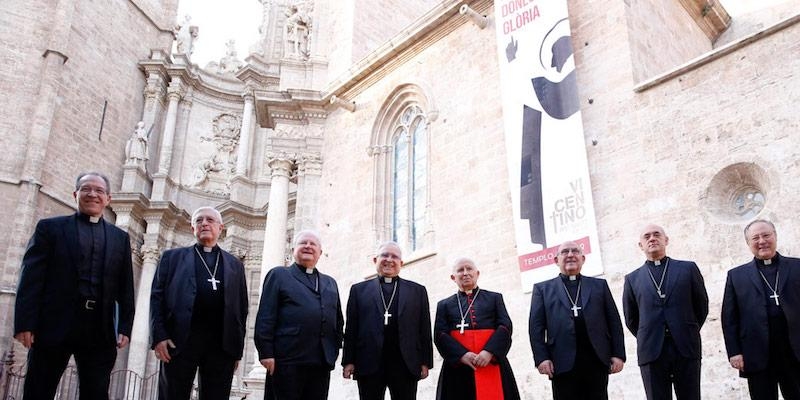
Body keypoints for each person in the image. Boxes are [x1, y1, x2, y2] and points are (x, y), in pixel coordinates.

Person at [14, 172, 135, 400]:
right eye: (86, 189)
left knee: (96, 392)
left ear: (108, 199)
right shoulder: (50, 228)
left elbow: (125, 286)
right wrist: (25, 322)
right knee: (39, 389)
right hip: (54, 323)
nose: (92, 194)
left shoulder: (120, 238)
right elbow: (31, 278)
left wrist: (125, 326)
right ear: (75, 194)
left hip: (99, 328)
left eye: (99, 191)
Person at [150, 206, 248, 400]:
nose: (204, 224)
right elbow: (157, 298)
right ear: (192, 228)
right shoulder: (172, 258)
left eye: (210, 220)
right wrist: (159, 336)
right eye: (199, 220)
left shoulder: (235, 264)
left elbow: (241, 308)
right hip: (179, 339)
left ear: (220, 228)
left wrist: (237, 350)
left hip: (221, 344)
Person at [622, 224, 709, 400]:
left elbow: (701, 306)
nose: (652, 239)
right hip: (651, 350)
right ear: (640, 245)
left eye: (657, 235)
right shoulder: (632, 278)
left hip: (685, 345)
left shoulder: (688, 269)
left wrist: (686, 328)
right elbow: (631, 318)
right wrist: (652, 333)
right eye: (647, 236)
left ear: (666, 240)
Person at [529, 240, 625, 399]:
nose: (570, 255)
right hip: (561, 361)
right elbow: (535, 328)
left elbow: (614, 321)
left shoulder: (599, 285)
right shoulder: (543, 289)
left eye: (575, 251)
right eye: (565, 252)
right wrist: (542, 358)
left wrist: (618, 354)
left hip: (596, 359)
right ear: (556, 260)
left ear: (583, 258)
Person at [255, 230, 343, 400]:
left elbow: (338, 320)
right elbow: (266, 315)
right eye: (303, 243)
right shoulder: (279, 275)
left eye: (313, 244)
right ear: (293, 249)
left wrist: (334, 350)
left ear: (320, 252)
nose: (308, 246)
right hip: (286, 359)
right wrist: (266, 352)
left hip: (320, 362)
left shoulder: (330, 282)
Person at [342, 241, 433, 400]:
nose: (389, 260)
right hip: (369, 362)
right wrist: (348, 361)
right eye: (384, 255)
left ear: (401, 263)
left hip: (405, 363)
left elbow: (424, 328)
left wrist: (426, 362)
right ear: (375, 260)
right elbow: (351, 328)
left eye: (394, 257)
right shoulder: (358, 290)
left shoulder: (417, 291)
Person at [722, 219, 800, 399]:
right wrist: (734, 352)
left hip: (795, 349)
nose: (762, 241)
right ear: (748, 243)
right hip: (756, 352)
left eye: (766, 235)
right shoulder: (736, 275)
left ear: (775, 236)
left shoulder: (797, 266)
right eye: (755, 238)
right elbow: (730, 318)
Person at [433, 257, 520, 400]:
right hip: (458, 367)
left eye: (469, 269)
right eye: (460, 270)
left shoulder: (494, 298)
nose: (465, 273)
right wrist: (462, 355)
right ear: (453, 277)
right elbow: (440, 334)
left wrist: (489, 352)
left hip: (491, 362)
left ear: (477, 273)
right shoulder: (444, 305)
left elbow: (505, 326)